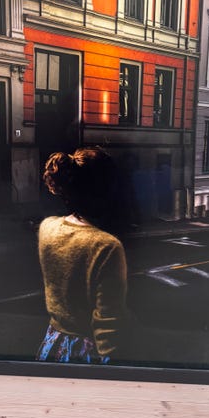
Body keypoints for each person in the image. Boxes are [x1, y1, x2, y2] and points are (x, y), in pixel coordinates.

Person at [36, 147, 129, 364]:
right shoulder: (106, 247)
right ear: (104, 191)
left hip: (52, 344)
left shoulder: (47, 228)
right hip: (85, 353)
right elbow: (108, 327)